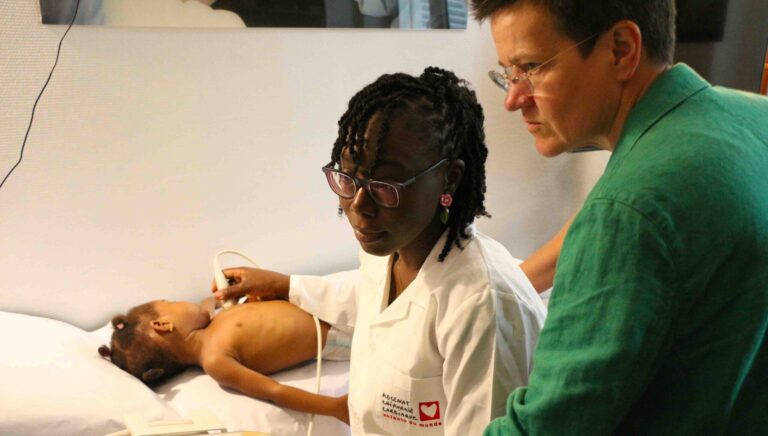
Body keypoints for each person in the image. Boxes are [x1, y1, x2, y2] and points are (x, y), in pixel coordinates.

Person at [469, 0, 768, 434]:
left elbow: (547, 428)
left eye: (531, 67)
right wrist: (505, 283)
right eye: (507, 73)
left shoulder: (628, 211)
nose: (514, 98)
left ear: (621, 50)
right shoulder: (750, 115)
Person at [214, 67, 548, 435]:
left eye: (385, 184)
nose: (359, 205)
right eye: (349, 177)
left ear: (449, 178)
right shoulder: (390, 249)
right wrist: (285, 285)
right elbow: (369, 295)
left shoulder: (483, 304)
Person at [98, 297, 350, 422]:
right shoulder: (216, 360)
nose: (181, 300)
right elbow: (275, 391)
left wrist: (225, 294)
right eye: (171, 302)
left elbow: (206, 305)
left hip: (328, 307)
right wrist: (335, 408)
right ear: (164, 324)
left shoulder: (212, 322)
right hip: (340, 337)